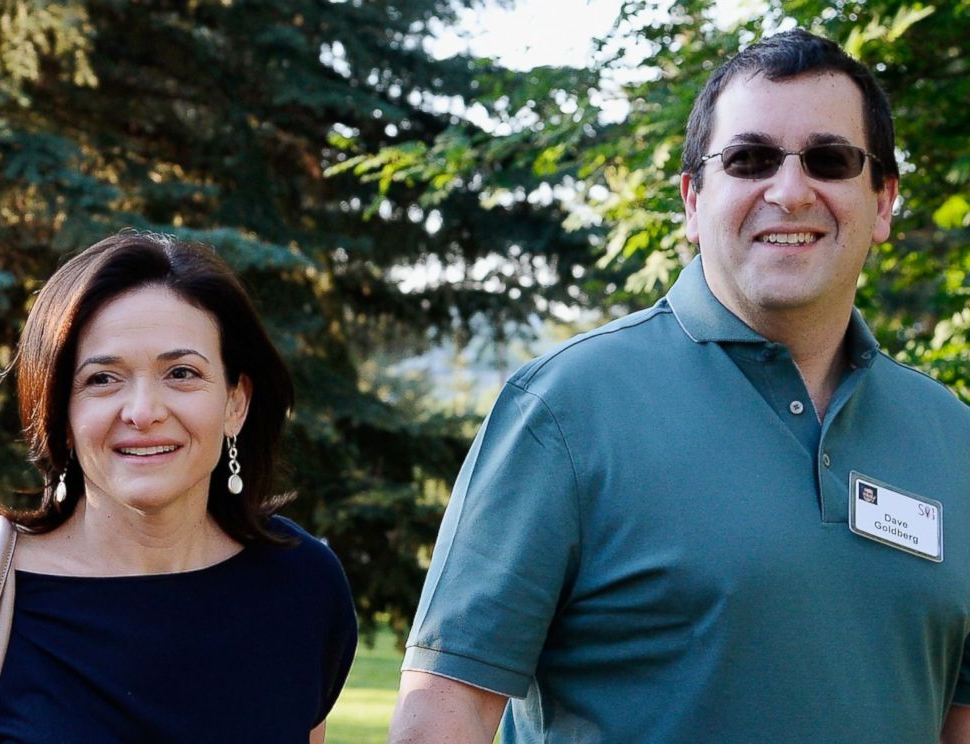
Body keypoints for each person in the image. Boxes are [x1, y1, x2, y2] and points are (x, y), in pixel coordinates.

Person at [389, 29, 970, 744]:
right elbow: (440, 717)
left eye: (830, 159)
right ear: (693, 201)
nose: (790, 191)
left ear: (883, 202)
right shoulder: (565, 409)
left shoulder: (952, 438)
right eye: (750, 159)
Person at [0, 232, 357, 742]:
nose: (143, 412)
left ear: (234, 403)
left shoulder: (304, 585)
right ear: (61, 415)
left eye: (181, 373)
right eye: (102, 379)